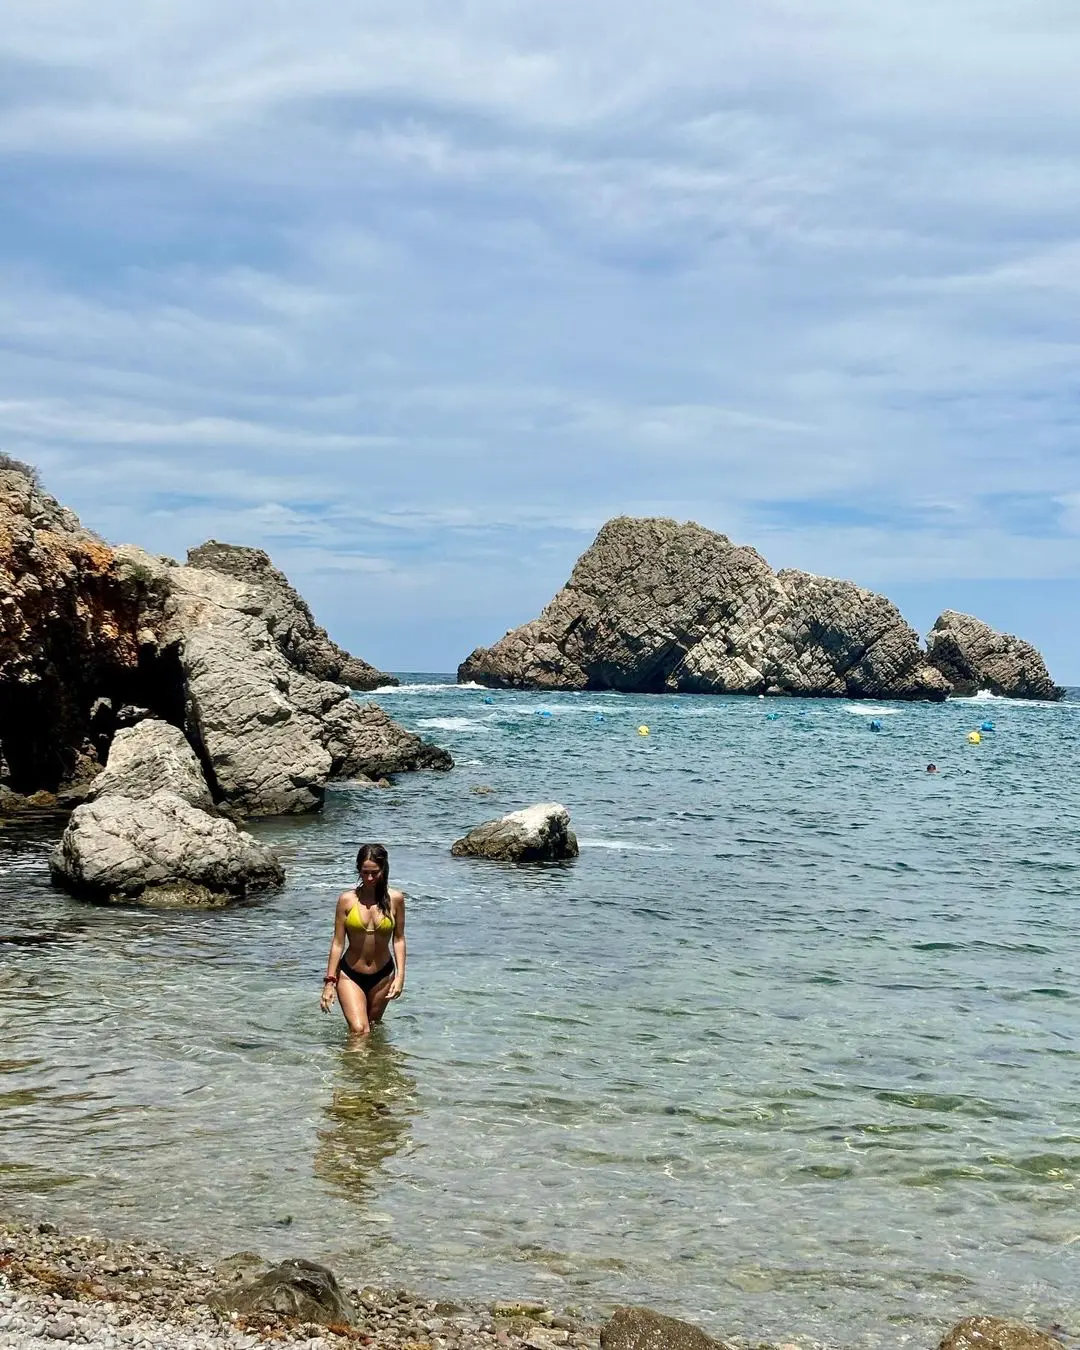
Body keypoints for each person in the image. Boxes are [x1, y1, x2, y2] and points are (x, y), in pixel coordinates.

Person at [321, 843, 406, 1035]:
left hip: (383, 975)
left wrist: (400, 977)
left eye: (374, 872)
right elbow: (337, 943)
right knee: (360, 1030)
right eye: (364, 872)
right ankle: (351, 1064)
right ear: (358, 869)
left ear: (383, 870)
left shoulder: (396, 899)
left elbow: (399, 939)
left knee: (373, 1028)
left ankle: (370, 1065)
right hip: (350, 973)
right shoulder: (347, 900)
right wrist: (329, 982)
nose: (369, 878)